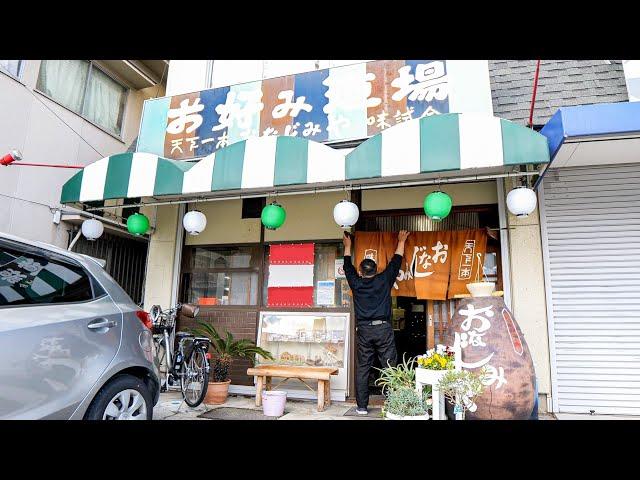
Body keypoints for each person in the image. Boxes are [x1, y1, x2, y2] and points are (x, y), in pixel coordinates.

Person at [342, 230, 411, 415]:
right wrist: (401, 240)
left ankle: (362, 407)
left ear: (360, 272)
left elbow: (347, 266)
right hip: (383, 328)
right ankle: (391, 403)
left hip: (364, 330)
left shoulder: (355, 283)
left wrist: (348, 246)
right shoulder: (384, 279)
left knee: (363, 367)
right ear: (377, 269)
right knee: (389, 365)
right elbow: (396, 260)